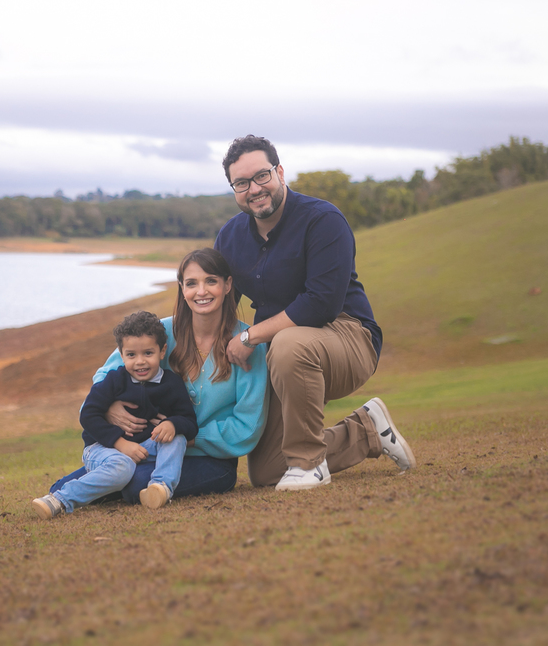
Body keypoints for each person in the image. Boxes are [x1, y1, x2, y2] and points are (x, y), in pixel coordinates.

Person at [215, 134, 415, 491]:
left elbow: (321, 303)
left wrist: (249, 336)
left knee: (288, 343)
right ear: (234, 189)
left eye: (261, 176)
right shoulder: (230, 237)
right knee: (268, 471)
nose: (254, 189)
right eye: (241, 183)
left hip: (348, 336)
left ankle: (309, 464)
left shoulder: (323, 219)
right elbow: (218, 305)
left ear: (279, 172)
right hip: (281, 355)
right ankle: (367, 429)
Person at [47, 248, 268, 505]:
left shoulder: (247, 344)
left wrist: (184, 435)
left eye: (211, 281)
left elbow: (248, 426)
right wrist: (110, 409)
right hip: (147, 449)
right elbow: (105, 375)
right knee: (59, 487)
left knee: (136, 483)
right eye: (191, 283)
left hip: (211, 460)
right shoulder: (160, 332)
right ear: (182, 288)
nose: (201, 291)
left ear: (227, 285)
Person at [33, 311, 198, 518]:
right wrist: (121, 444)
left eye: (148, 353)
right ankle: (59, 500)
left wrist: (173, 424)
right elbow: (88, 415)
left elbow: (189, 422)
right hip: (103, 447)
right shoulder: (113, 380)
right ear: (121, 355)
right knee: (123, 466)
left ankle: (160, 488)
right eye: (131, 355)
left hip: (145, 447)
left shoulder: (172, 383)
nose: (140, 362)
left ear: (162, 351)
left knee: (177, 438)